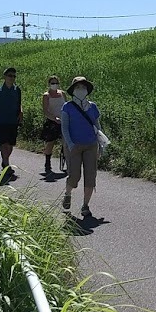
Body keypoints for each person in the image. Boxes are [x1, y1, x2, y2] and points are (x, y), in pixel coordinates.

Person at [61, 76, 102, 217]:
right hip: (74, 146)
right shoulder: (67, 107)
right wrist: (70, 144)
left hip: (91, 145)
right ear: (73, 90)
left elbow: (97, 126)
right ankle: (68, 194)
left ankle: (85, 205)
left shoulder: (93, 106)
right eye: (78, 87)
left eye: (83, 87)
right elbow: (65, 128)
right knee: (74, 176)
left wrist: (101, 144)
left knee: (90, 176)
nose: (81, 90)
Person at [0, 67, 23, 178]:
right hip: (2, 121)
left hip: (13, 121)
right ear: (5, 77)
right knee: (4, 144)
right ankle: (7, 165)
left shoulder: (17, 90)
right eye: (10, 75)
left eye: (14, 76)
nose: (12, 78)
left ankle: (5, 160)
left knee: (11, 144)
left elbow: (19, 103)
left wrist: (21, 113)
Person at [41, 75, 66, 173]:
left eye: (56, 83)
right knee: (50, 142)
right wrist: (54, 119)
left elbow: (67, 106)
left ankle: (67, 160)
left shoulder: (62, 94)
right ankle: (47, 163)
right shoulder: (46, 96)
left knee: (66, 141)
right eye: (52, 83)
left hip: (63, 120)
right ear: (49, 84)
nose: (54, 85)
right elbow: (46, 111)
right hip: (52, 121)